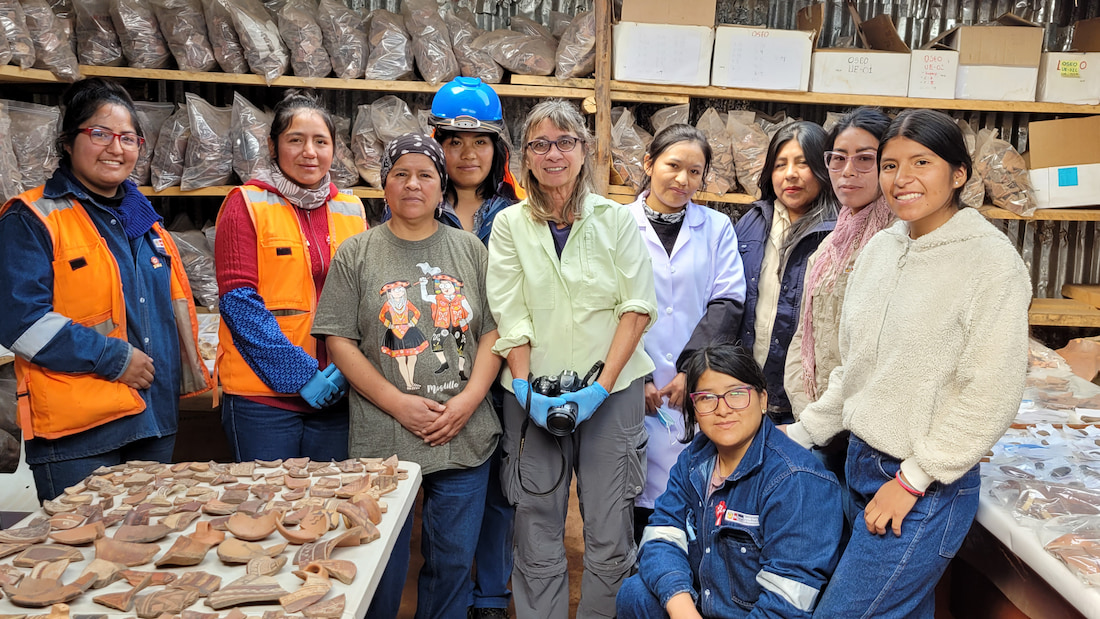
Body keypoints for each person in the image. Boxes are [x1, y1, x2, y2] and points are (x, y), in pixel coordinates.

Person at [784, 109, 1031, 617]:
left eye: (922, 162)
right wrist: (804, 432)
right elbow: (856, 370)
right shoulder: (882, 247)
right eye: (892, 165)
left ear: (958, 174)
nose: (902, 179)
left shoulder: (990, 261)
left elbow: (990, 392)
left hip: (925, 489)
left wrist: (913, 480)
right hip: (859, 464)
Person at [314, 133, 502, 619]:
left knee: (453, 562)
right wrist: (399, 403)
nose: (413, 184)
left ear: (441, 187)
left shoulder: (471, 250)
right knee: (378, 557)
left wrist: (466, 402)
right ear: (384, 186)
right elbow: (339, 339)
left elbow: (494, 332)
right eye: (401, 174)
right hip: (384, 436)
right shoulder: (357, 253)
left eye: (425, 175)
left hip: (463, 434)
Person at [0, 77, 213, 502]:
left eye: (129, 138)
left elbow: (163, 313)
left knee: (145, 553)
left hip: (152, 420)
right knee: (82, 560)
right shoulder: (33, 218)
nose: (116, 148)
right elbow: (21, 322)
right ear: (67, 141)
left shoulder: (146, 225)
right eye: (99, 133)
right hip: (79, 432)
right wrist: (113, 359)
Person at [487, 99, 658, 618]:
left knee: (609, 529)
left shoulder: (615, 220)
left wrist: (601, 388)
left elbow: (636, 307)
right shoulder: (509, 225)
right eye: (540, 144)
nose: (553, 154)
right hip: (534, 394)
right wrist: (522, 388)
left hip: (613, 391)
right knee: (535, 523)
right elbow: (510, 313)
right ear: (524, 157)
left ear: (584, 149)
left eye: (565, 142)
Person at [617, 344, 843, 618]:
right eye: (707, 398)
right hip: (702, 610)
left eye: (736, 394)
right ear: (695, 407)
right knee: (636, 594)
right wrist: (683, 611)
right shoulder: (694, 460)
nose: (722, 409)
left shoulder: (797, 480)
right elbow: (661, 537)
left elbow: (786, 602)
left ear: (762, 400)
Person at [214, 89, 365, 463]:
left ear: (334, 149)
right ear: (273, 145)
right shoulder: (246, 204)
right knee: (268, 509)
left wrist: (349, 370)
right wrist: (300, 375)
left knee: (328, 510)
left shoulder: (352, 208)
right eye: (295, 140)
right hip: (262, 400)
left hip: (338, 396)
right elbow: (238, 303)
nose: (309, 152)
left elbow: (367, 298)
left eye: (320, 141)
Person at [426, 78, 522, 618]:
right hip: (432, 369)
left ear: (497, 148)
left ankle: (490, 597)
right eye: (454, 141)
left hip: (504, 368)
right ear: (436, 144)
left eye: (480, 141)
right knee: (446, 488)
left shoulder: (515, 211)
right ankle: (449, 597)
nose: (467, 154)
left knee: (500, 487)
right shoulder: (415, 199)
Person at [625, 124, 746, 541]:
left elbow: (728, 301)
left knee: (691, 497)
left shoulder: (716, 227)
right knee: (632, 499)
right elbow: (605, 308)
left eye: (695, 172)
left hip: (694, 383)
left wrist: (689, 371)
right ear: (648, 163)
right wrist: (635, 376)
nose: (683, 180)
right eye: (673, 166)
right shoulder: (617, 224)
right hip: (628, 381)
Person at [783, 107, 893, 500]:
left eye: (865, 159)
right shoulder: (832, 240)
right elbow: (805, 332)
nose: (848, 171)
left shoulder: (896, 240)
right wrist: (804, 411)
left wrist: (819, 420)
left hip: (870, 435)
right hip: (821, 423)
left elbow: (871, 355)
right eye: (838, 158)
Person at [735, 121, 837, 426]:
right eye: (781, 164)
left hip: (807, 401)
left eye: (803, 163)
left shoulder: (839, 232)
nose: (790, 173)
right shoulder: (752, 222)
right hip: (746, 390)